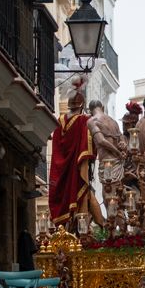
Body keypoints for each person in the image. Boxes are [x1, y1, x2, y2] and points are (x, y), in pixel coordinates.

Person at [47, 77, 98, 226]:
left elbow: (57, 148)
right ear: (82, 105)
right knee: (80, 197)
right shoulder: (83, 120)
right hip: (75, 170)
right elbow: (89, 145)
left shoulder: (59, 121)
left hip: (60, 171)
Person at [87, 100, 125, 198]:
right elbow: (122, 140)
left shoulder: (92, 121)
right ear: (102, 107)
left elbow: (101, 141)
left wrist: (117, 152)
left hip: (107, 164)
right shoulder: (113, 121)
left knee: (109, 196)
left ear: (90, 111)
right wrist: (122, 148)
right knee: (117, 196)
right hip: (118, 163)